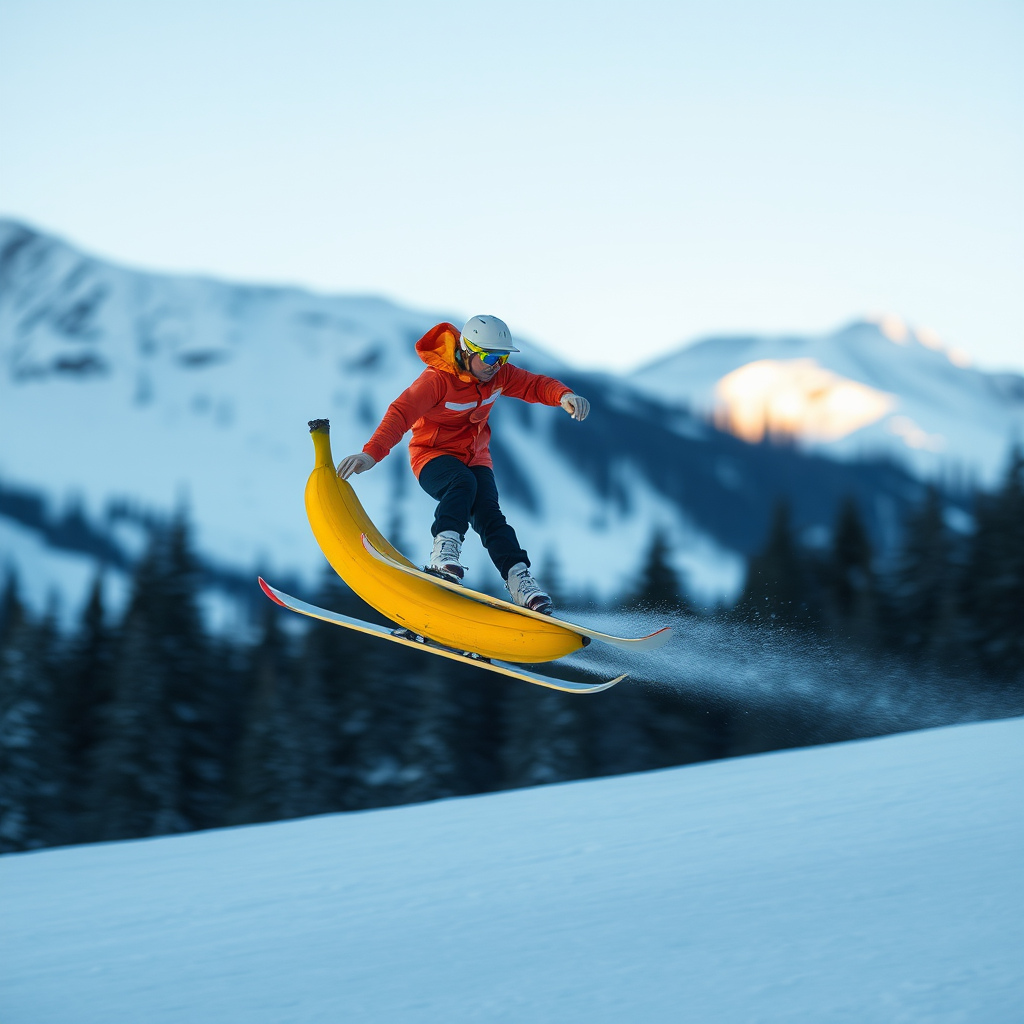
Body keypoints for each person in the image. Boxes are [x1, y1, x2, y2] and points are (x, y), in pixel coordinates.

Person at [336, 315, 590, 613]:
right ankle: (444, 551)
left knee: (489, 514)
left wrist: (563, 395)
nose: (496, 365)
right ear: (467, 351)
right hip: (432, 457)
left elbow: (534, 385)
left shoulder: (499, 375)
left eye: (503, 357)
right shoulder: (437, 380)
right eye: (490, 356)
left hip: (475, 458)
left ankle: (519, 580)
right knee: (462, 483)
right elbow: (400, 413)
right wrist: (371, 453)